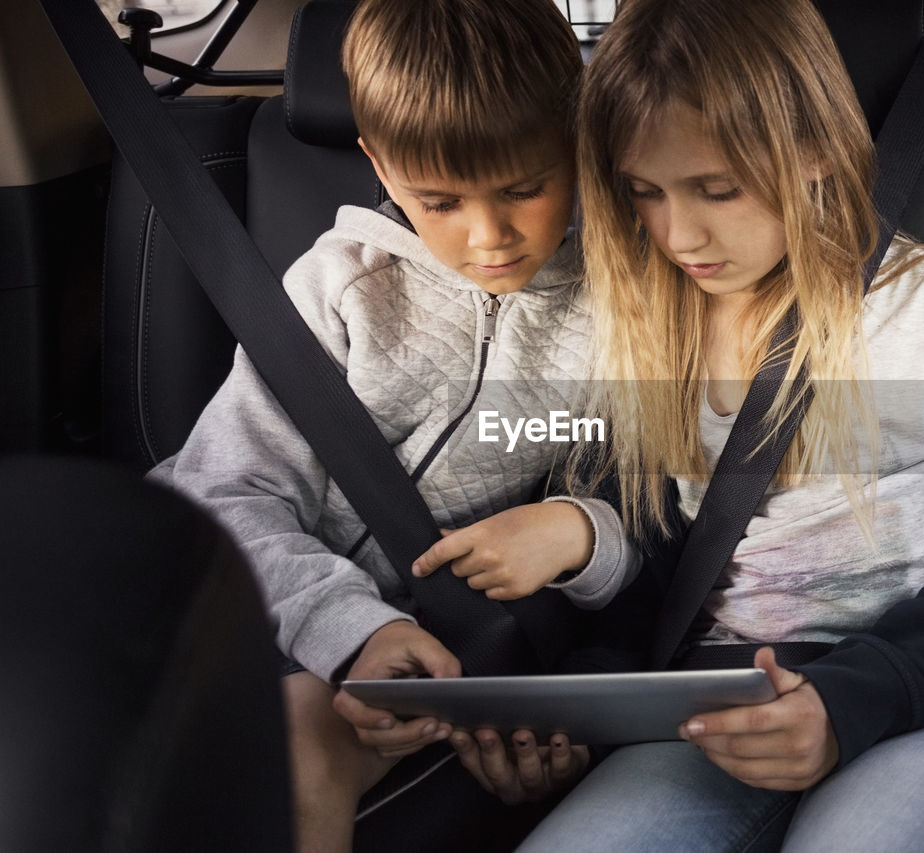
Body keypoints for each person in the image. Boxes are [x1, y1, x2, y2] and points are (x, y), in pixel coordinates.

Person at [515, 0, 924, 850]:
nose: (681, 233)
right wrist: (572, 712)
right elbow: (646, 588)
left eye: (719, 189)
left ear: (815, 149)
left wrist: (849, 700)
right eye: (646, 193)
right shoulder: (641, 333)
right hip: (713, 710)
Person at [150, 1, 640, 850]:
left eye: (526, 188)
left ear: (581, 143)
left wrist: (586, 537)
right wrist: (354, 630)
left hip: (479, 652)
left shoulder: (628, 301)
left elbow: (658, 509)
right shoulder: (343, 289)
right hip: (274, 612)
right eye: (438, 201)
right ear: (378, 162)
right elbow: (223, 492)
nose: (488, 237)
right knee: (292, 727)